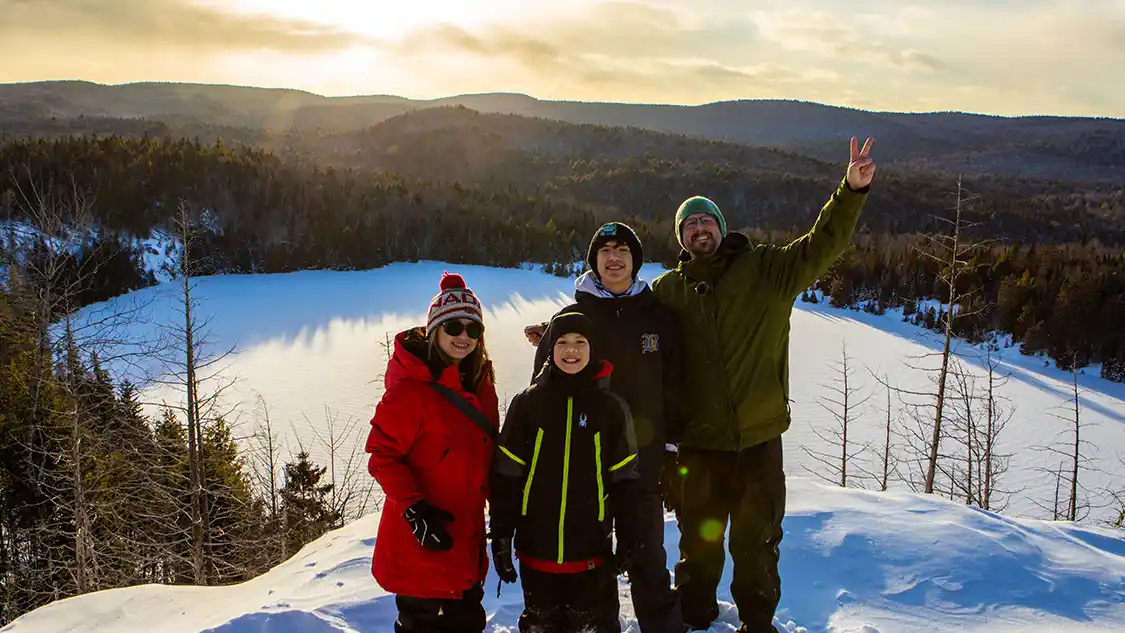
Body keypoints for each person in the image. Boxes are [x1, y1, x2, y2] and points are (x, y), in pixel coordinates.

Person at [651, 136, 877, 633]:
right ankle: (695, 618)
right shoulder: (669, 292)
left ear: (721, 227)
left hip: (758, 441)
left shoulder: (767, 271)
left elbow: (822, 245)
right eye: (689, 224)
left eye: (706, 219)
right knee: (699, 544)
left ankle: (757, 623)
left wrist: (850, 191)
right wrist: (560, 334)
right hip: (699, 445)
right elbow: (623, 327)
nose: (699, 227)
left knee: (756, 544)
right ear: (681, 239)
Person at [525, 222, 685, 633]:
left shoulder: (658, 319)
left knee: (649, 559)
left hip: (644, 465)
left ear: (635, 260)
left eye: (623, 251)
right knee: (595, 564)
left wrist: (671, 451)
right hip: (585, 470)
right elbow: (542, 395)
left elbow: (675, 388)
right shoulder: (571, 319)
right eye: (606, 251)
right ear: (594, 262)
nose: (614, 258)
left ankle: (663, 627)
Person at [365, 271, 499, 633]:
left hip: (466, 540)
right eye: (454, 327)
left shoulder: (481, 387)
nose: (464, 337)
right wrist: (415, 511)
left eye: (473, 330)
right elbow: (381, 455)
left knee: (468, 623)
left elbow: (488, 456)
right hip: (421, 545)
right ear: (434, 329)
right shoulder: (411, 390)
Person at [491, 312, 642, 633]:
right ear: (549, 349)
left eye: (579, 343)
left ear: (593, 349)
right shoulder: (528, 403)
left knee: (589, 625)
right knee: (540, 624)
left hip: (590, 551)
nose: (570, 350)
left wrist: (629, 535)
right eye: (561, 342)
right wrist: (501, 532)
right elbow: (506, 474)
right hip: (536, 550)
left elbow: (625, 480)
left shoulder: (612, 409)